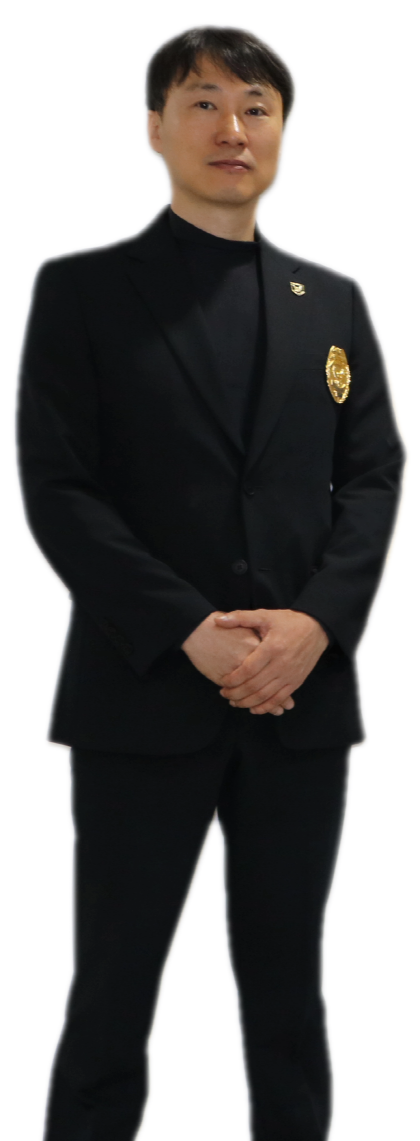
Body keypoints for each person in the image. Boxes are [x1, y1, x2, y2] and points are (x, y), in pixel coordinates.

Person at [16, 25, 404, 1141]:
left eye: (256, 106)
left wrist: (315, 625)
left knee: (288, 996)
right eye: (203, 102)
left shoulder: (330, 303)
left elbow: (373, 474)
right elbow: (59, 486)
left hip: (298, 703)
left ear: (281, 130)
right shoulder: (83, 292)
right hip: (140, 695)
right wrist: (188, 628)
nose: (233, 128)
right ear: (156, 127)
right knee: (112, 993)